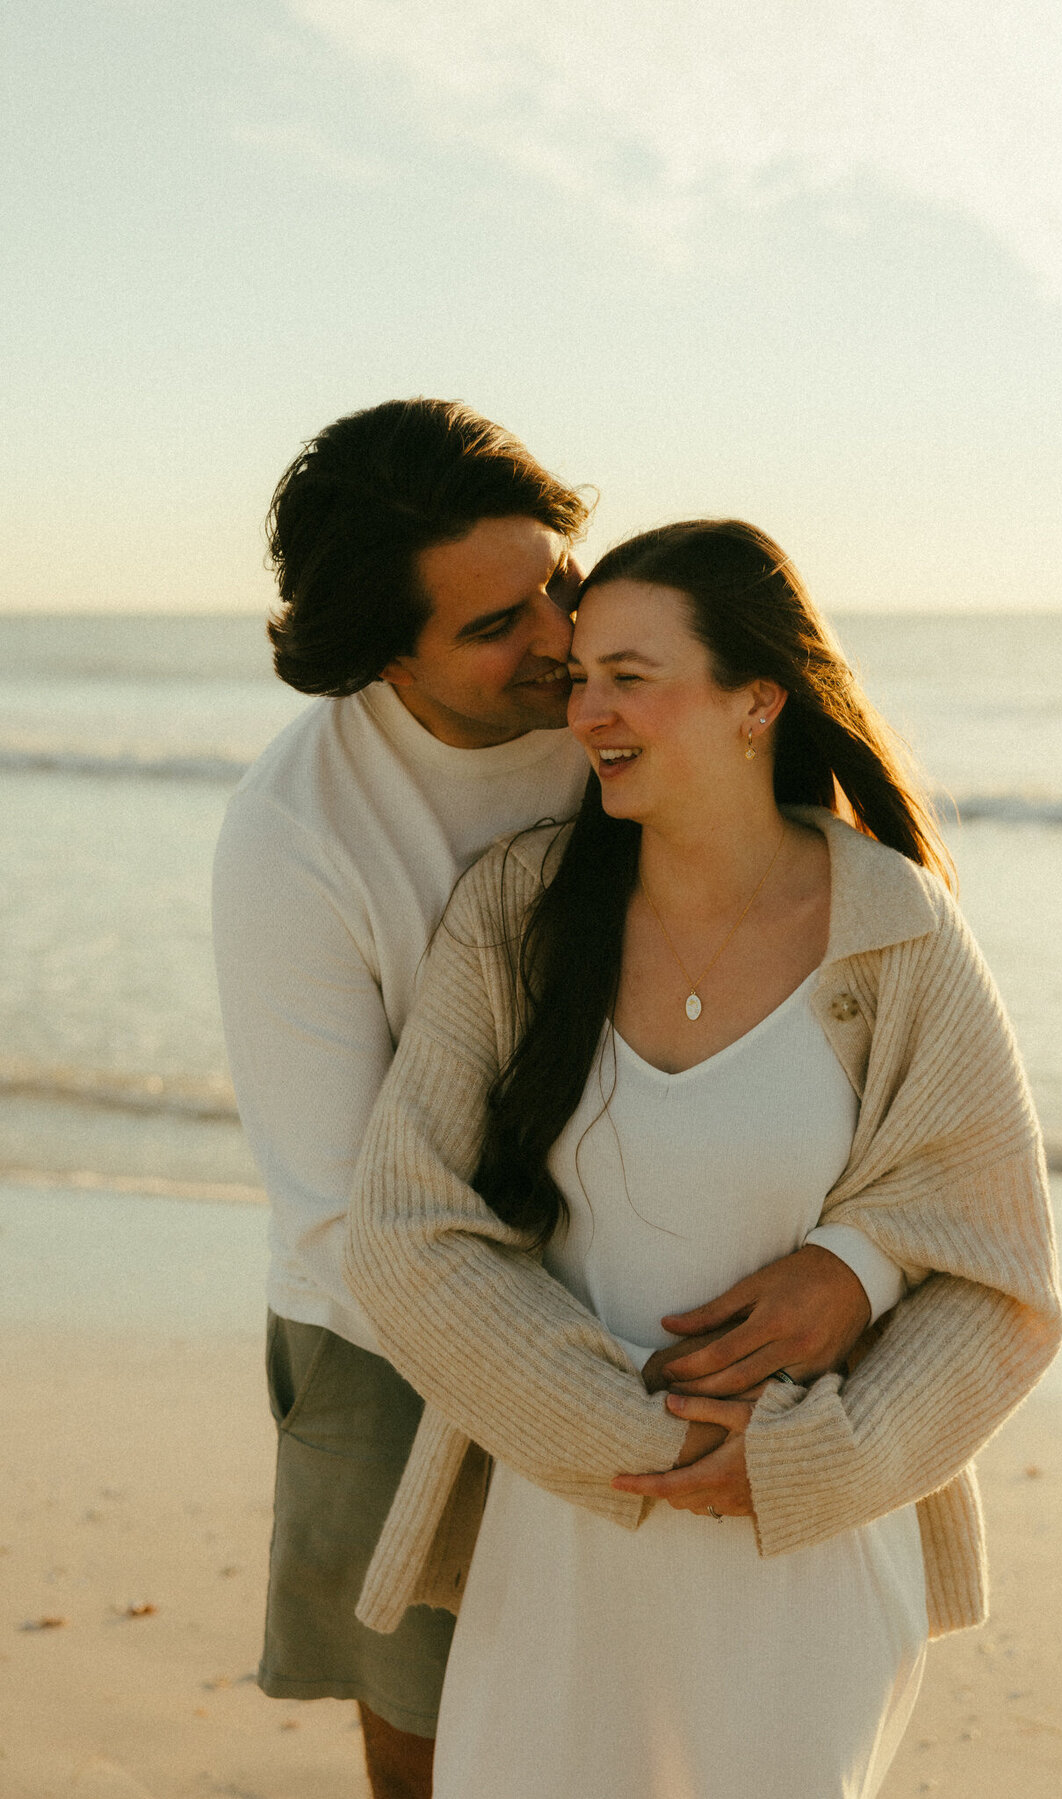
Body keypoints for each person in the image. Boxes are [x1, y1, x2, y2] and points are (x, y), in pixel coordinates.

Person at [211, 408, 898, 1799]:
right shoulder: (302, 839)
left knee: (683, 1731)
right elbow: (355, 1218)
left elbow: (873, 1041)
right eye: (494, 626)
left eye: (556, 582)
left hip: (672, 1287)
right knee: (441, 1732)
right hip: (398, 1335)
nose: (556, 641)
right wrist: (633, 1423)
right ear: (382, 655)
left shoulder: (645, 705)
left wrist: (858, 1263)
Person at [344, 519, 1062, 1799]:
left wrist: (815, 1448)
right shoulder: (515, 914)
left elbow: (1000, 1275)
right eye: (578, 677)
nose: (588, 710)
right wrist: (640, 1436)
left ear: (755, 699)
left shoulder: (895, 933)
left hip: (803, 1556)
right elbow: (407, 1230)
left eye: (631, 674)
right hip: (565, 1532)